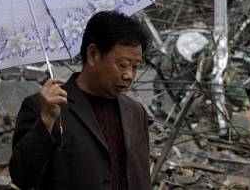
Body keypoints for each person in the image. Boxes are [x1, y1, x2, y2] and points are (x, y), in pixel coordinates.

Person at [9, 11, 150, 189]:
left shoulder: (135, 112)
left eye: (135, 67)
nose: (129, 75)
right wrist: (46, 121)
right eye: (122, 65)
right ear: (92, 55)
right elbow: (22, 177)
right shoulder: (46, 107)